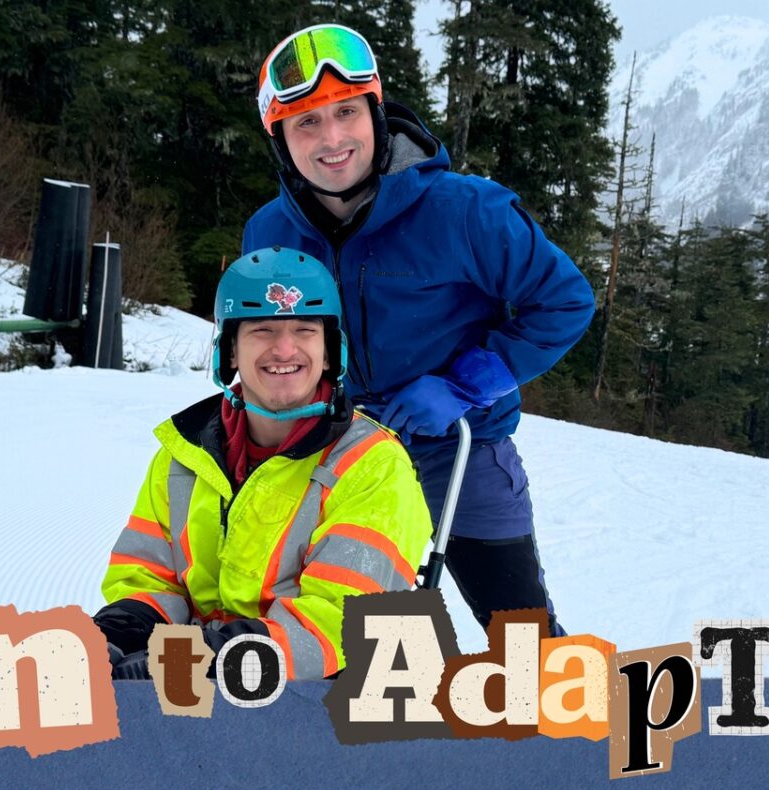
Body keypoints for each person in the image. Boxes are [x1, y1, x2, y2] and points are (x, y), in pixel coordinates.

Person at [242, 23, 595, 636]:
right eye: (305, 123)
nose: (331, 139)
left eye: (345, 113)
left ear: (375, 113)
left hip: (459, 446)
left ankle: (573, 723)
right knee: (339, 631)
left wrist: (461, 385)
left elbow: (564, 301)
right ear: (281, 140)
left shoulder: (467, 211)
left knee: (524, 636)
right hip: (338, 451)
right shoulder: (269, 232)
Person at [93, 247, 432, 679]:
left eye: (305, 330)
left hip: (316, 696)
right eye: (263, 329)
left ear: (330, 352)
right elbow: (150, 577)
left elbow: (342, 621)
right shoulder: (182, 455)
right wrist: (121, 631)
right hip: (200, 684)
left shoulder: (373, 466)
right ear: (230, 350)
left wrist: (209, 656)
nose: (284, 348)